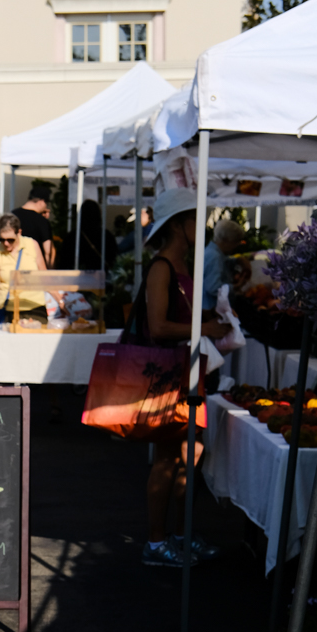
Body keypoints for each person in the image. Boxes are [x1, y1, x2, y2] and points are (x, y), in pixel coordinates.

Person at [130, 188, 229, 568]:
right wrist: (205, 326)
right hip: (169, 377)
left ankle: (180, 535)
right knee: (170, 457)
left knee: (192, 454)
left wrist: (209, 327)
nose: (201, 228)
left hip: (187, 374)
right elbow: (158, 327)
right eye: (196, 220)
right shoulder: (162, 268)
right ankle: (156, 542)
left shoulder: (181, 268)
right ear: (179, 225)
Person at [0, 213, 48, 324]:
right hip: (9, 309)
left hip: (35, 306)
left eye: (10, 240)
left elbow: (45, 276)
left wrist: (60, 301)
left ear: (19, 233)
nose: (6, 243)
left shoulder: (32, 245)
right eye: (1, 239)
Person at [57, 198, 119, 271]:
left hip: (77, 279)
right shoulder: (107, 236)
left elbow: (64, 262)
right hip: (101, 278)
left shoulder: (72, 237)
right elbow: (114, 259)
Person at [203, 217, 247, 310]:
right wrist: (236, 287)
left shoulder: (214, 252)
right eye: (236, 242)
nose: (236, 246)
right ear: (226, 240)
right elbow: (213, 288)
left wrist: (237, 260)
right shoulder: (214, 256)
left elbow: (224, 263)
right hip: (212, 309)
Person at [12, 190, 55, 262]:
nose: (46, 207)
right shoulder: (41, 221)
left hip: (13, 262)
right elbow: (48, 251)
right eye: (46, 204)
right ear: (41, 201)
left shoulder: (12, 215)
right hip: (34, 265)